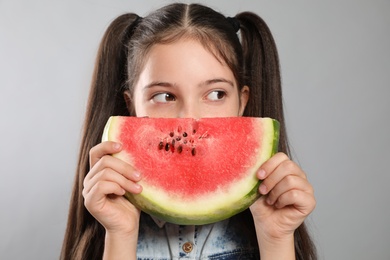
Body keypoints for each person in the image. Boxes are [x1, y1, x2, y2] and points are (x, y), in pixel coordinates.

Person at [61, 3, 317, 260]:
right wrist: (120, 234)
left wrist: (277, 240)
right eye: (164, 96)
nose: (189, 119)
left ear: (242, 102)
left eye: (216, 94)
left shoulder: (271, 224)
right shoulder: (109, 229)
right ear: (131, 105)